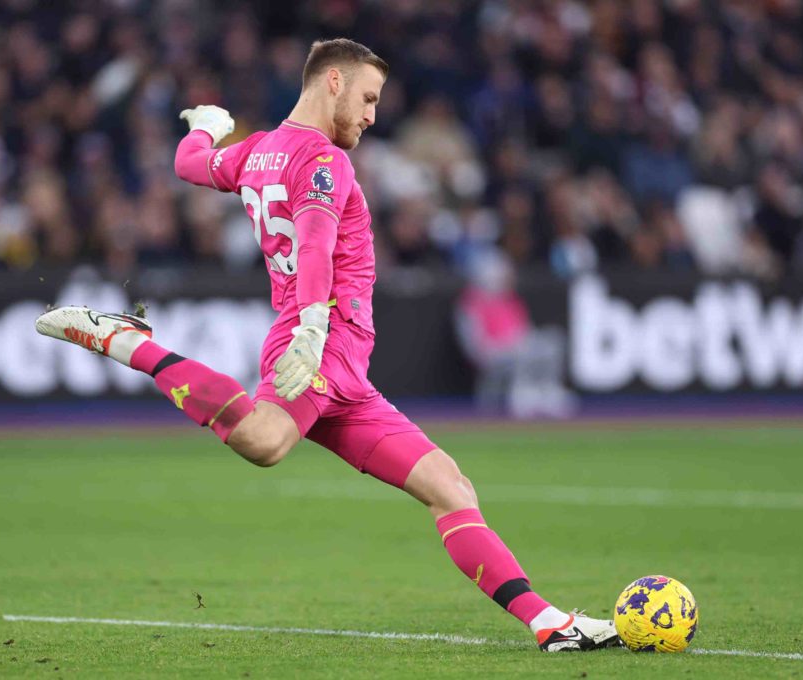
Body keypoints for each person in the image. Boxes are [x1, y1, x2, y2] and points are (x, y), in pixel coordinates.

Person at [35, 38, 619, 652]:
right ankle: (129, 342)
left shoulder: (257, 150)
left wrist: (205, 128)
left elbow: (189, 165)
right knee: (263, 442)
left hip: (346, 374)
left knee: (451, 488)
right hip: (318, 346)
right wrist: (313, 327)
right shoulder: (323, 160)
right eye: (367, 99)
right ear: (333, 83)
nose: (371, 115)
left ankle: (548, 623)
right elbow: (315, 239)